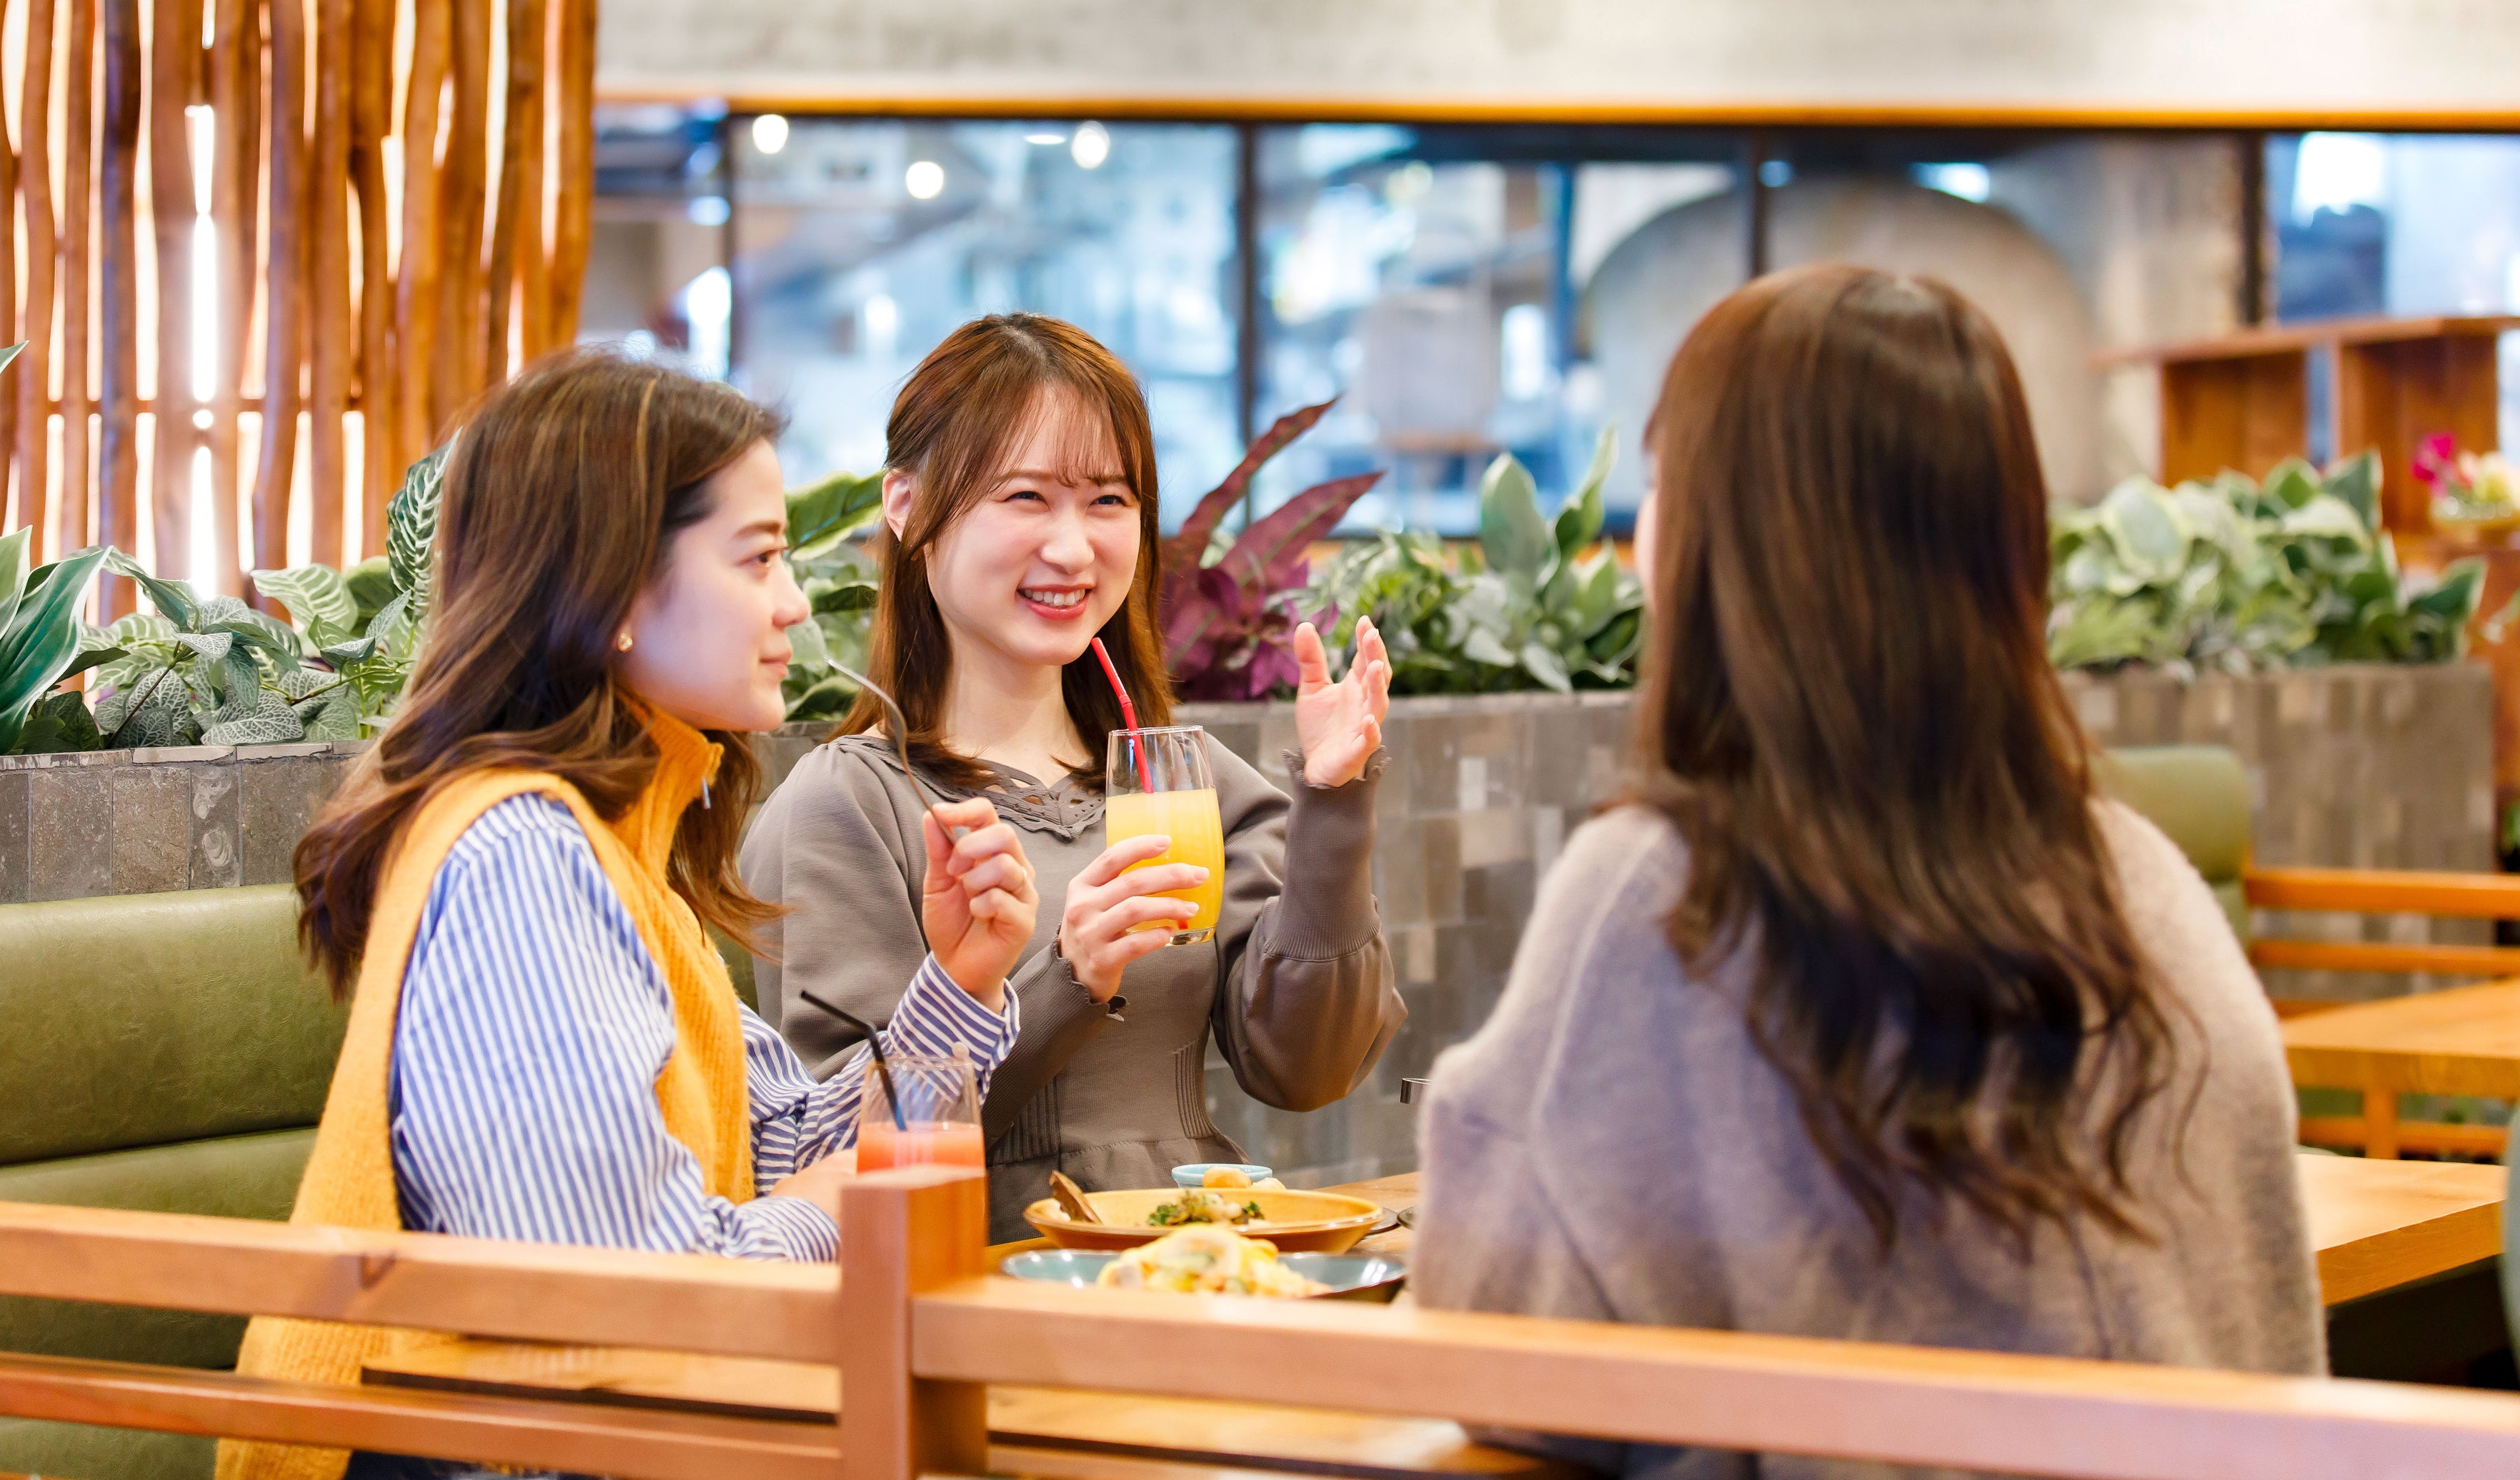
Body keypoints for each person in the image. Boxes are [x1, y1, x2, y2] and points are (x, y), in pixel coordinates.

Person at [1412, 266, 2321, 1477]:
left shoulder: (1671, 895)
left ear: (1720, 547)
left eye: (1664, 485)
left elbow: (1495, 1341)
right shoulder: (2140, 878)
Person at [219, 353, 1037, 1480]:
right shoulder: (520, 859)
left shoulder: (615, 849)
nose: (795, 603)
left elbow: (775, 1146)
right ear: (610, 593)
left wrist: (962, 979)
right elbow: (623, 1297)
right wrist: (832, 1212)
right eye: (758, 558)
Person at [742, 314, 1404, 1240]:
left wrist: (1333, 804)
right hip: (987, 1295)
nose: (1072, 548)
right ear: (905, 505)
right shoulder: (848, 805)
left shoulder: (1186, 782)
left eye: (1108, 501)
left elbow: (1307, 1070)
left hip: (1191, 1269)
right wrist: (1066, 982)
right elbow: (835, 1161)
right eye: (1026, 497)